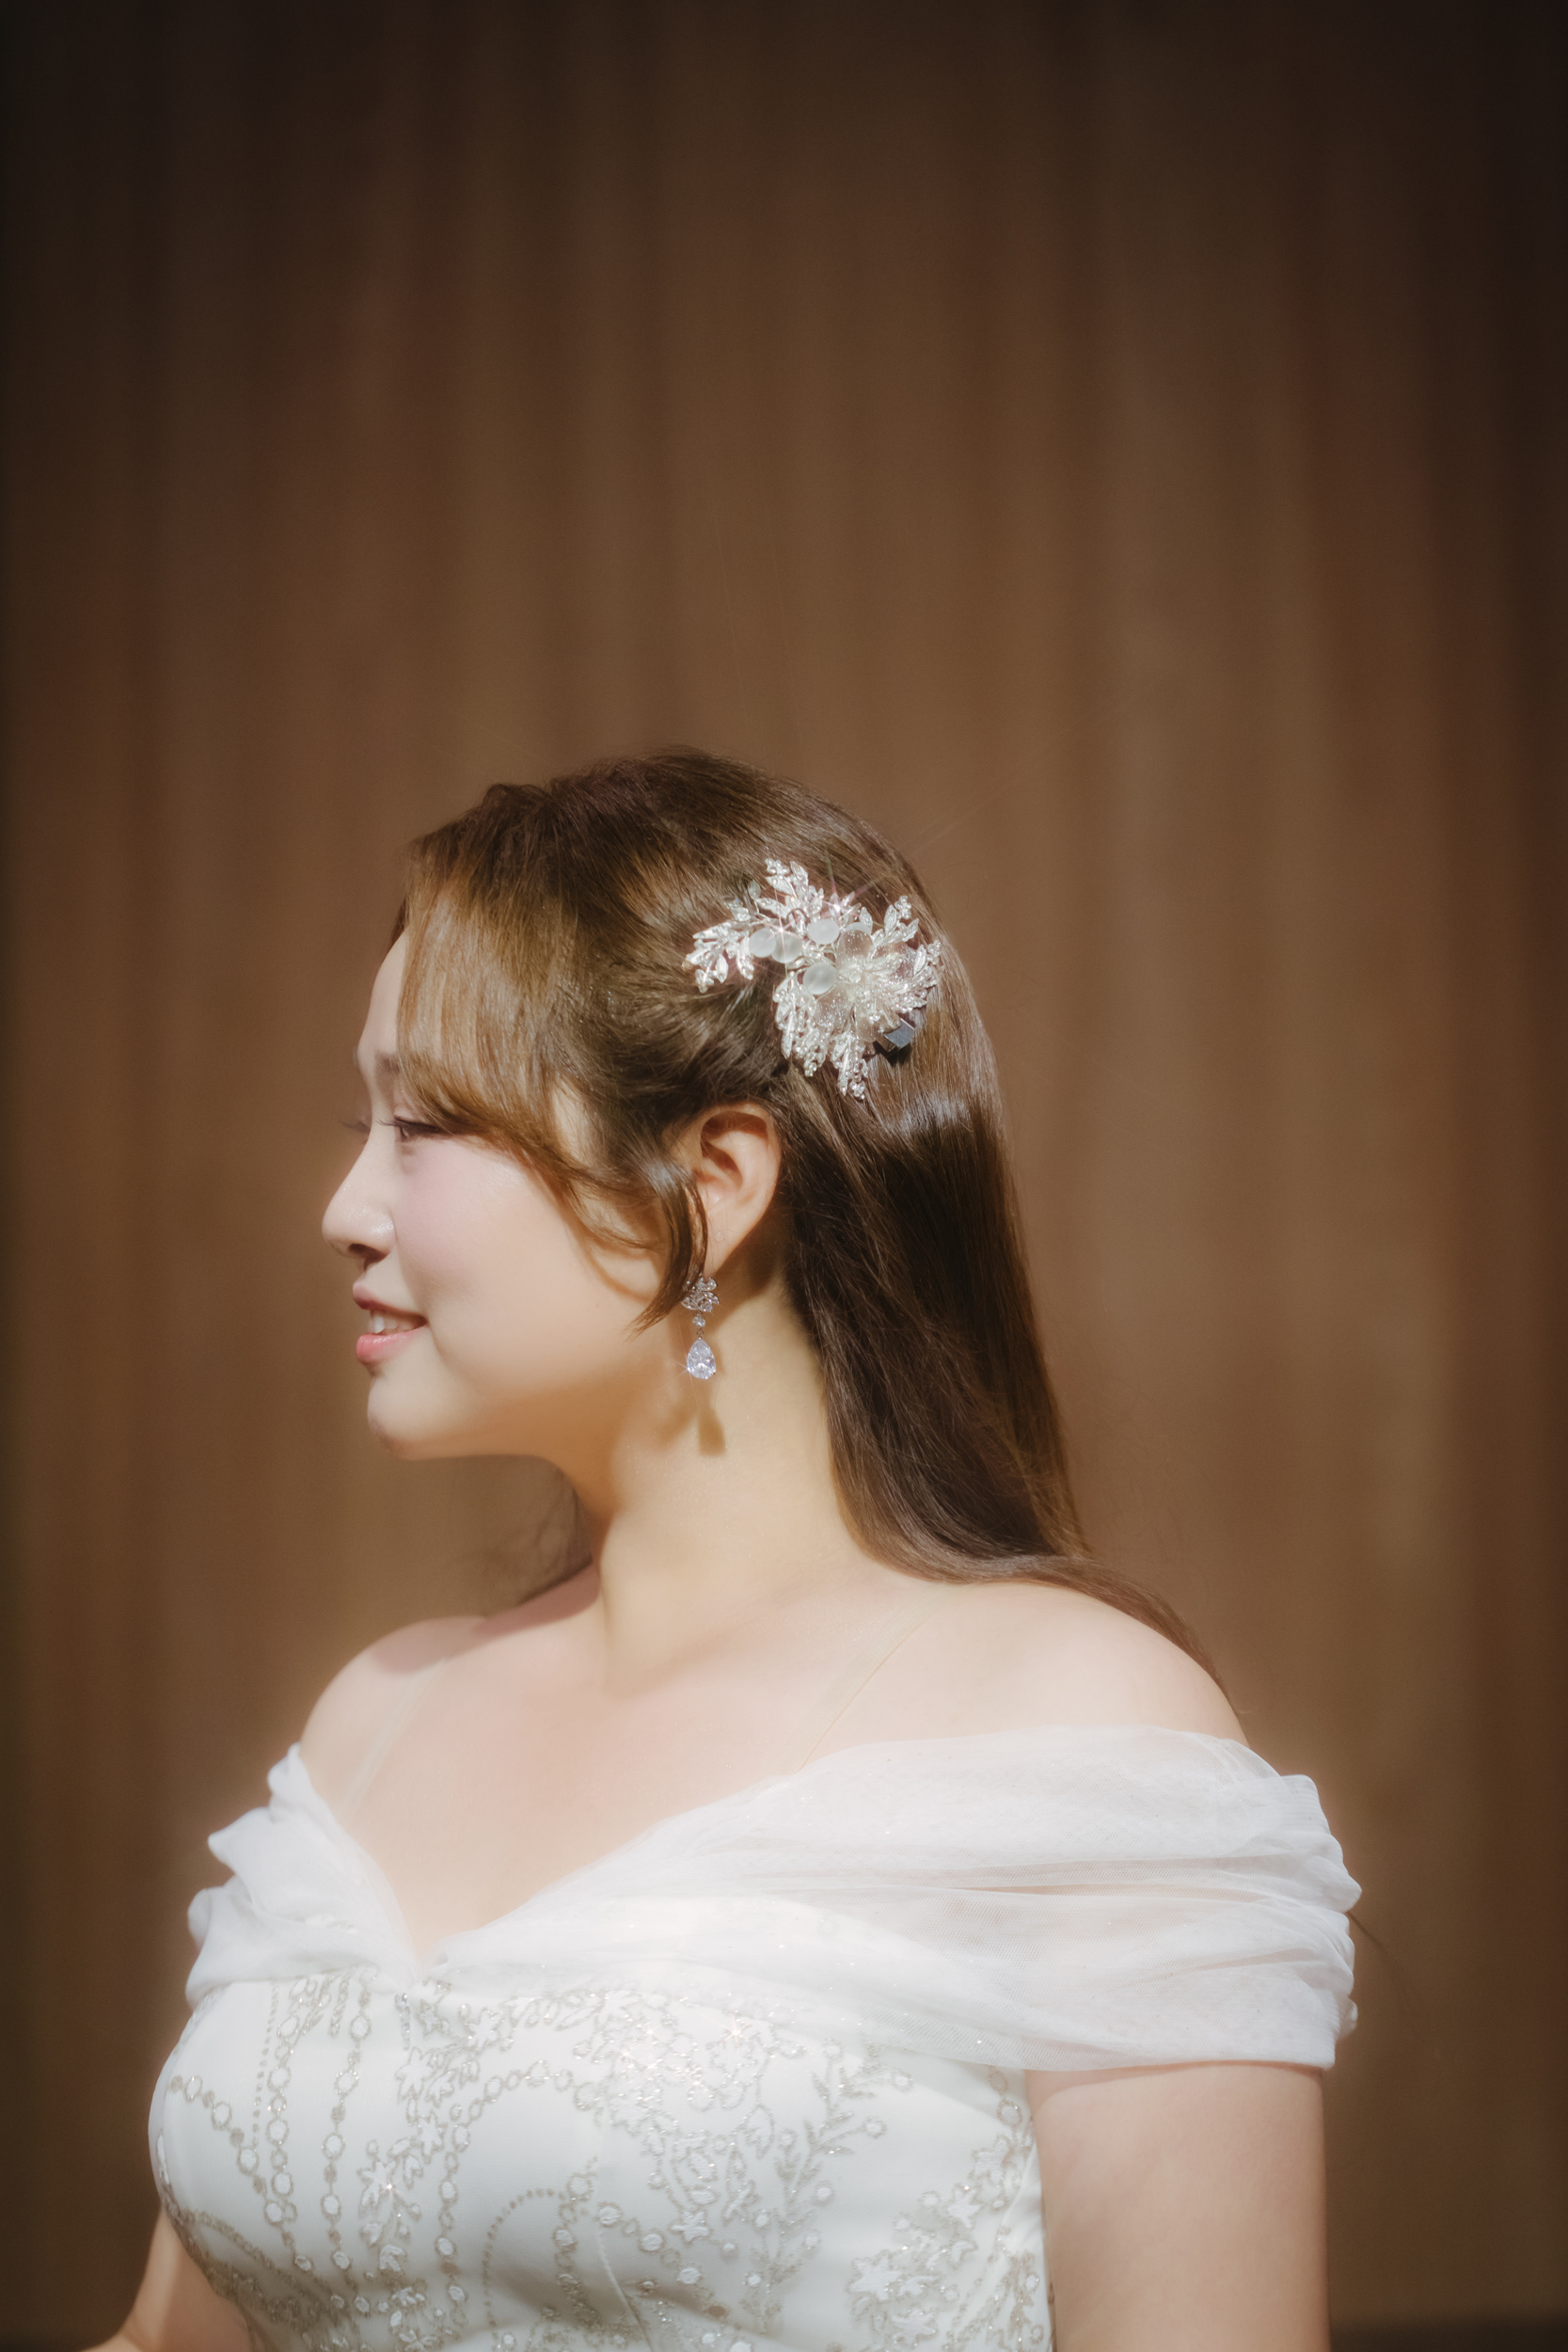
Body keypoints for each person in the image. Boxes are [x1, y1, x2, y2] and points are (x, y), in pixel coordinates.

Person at [114, 750, 1355, 2352]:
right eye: (364, 1121)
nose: (345, 1208)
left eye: (422, 1125)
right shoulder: (375, 1720)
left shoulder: (1083, 1733)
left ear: (710, 1185)